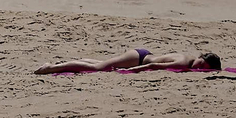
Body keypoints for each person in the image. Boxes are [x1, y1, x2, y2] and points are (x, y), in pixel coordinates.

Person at [35, 49, 222, 75]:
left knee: (103, 64)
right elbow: (153, 66)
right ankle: (50, 68)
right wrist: (132, 71)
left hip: (140, 55)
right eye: (201, 66)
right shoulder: (183, 63)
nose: (199, 69)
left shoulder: (189, 59)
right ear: (201, 58)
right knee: (98, 68)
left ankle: (68, 62)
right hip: (139, 58)